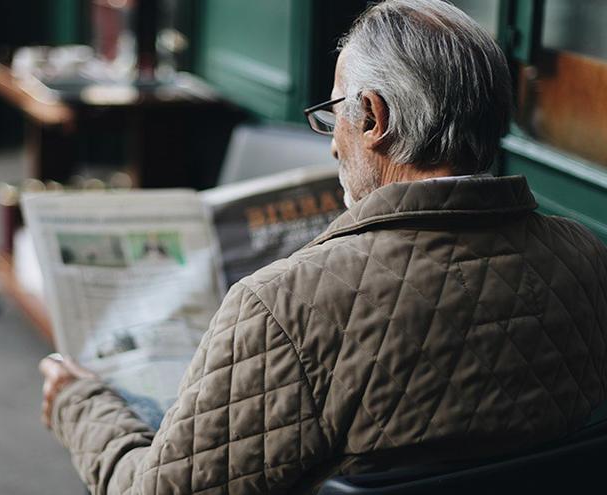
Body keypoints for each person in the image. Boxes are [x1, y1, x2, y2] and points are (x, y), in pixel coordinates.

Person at [38, 1, 607, 493]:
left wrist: (78, 404)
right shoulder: (586, 258)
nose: (332, 146)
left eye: (334, 111)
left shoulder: (285, 308)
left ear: (374, 118)